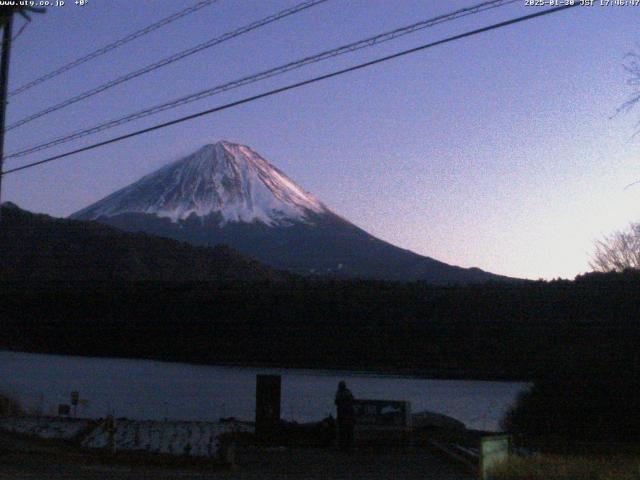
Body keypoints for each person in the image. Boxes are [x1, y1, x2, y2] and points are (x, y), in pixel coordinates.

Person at [334, 381, 355, 452]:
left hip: (345, 414)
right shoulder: (344, 392)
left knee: (346, 431)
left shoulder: (341, 393)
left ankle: (345, 446)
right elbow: (336, 402)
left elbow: (336, 402)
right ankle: (345, 446)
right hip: (344, 414)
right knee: (345, 431)